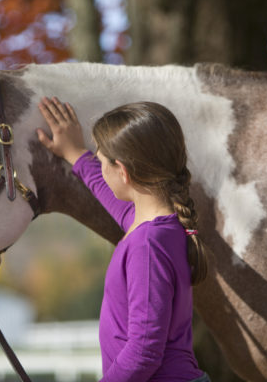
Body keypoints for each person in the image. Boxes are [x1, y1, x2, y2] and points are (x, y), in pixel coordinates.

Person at [36, 97, 210, 382]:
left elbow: (144, 352)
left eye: (102, 160)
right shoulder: (155, 224)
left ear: (124, 172)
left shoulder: (148, 245)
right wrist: (76, 153)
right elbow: (109, 194)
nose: (100, 168)